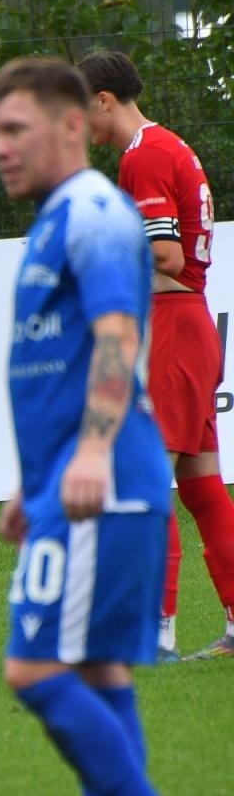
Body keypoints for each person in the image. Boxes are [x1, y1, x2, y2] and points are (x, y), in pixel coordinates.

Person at [0, 56, 207, 796]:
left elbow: (119, 336)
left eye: (15, 129)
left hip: (105, 486)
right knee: (99, 674)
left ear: (74, 125)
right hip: (77, 484)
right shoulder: (58, 220)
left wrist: (89, 453)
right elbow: (63, 362)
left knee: (34, 671)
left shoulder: (92, 213)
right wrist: (27, 481)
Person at [79, 48, 234, 662]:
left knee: (147, 478)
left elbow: (164, 256)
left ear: (102, 100)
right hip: (190, 322)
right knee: (202, 488)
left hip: (172, 323)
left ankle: (154, 631)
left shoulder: (142, 157)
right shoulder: (172, 146)